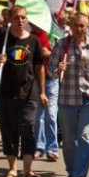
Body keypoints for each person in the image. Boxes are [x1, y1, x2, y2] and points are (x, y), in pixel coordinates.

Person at [0, 5, 48, 177]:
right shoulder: (1, 40)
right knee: (9, 130)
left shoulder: (34, 41)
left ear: (26, 19)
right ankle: (12, 168)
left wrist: (42, 91)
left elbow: (39, 67)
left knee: (28, 128)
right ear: (10, 19)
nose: (20, 21)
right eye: (16, 17)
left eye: (23, 17)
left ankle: (28, 170)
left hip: (29, 94)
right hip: (6, 93)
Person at [49, 13, 89, 177]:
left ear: (88, 26)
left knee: (86, 137)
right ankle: (72, 170)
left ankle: (80, 176)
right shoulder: (61, 44)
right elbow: (49, 69)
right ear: (70, 26)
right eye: (76, 26)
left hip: (88, 98)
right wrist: (57, 69)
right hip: (66, 98)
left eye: (83, 26)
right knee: (69, 139)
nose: (80, 29)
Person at [31, 24, 59, 162]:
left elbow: (60, 54)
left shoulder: (53, 35)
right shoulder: (30, 36)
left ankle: (52, 148)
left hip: (52, 79)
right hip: (36, 79)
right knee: (38, 116)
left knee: (51, 114)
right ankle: (39, 147)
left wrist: (50, 51)